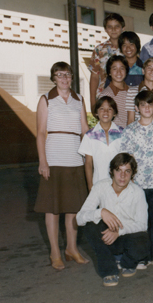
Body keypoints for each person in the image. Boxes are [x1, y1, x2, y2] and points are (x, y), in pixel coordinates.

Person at [34, 61, 90, 270]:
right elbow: (40, 133)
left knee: (73, 208)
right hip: (54, 159)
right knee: (53, 209)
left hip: (75, 159)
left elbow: (84, 129)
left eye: (67, 74)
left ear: (72, 77)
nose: (64, 78)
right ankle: (55, 252)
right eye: (59, 75)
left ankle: (72, 249)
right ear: (53, 78)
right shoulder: (46, 100)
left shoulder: (79, 100)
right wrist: (43, 161)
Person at [76, 153, 150, 287]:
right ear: (111, 171)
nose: (122, 176)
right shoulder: (100, 186)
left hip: (126, 237)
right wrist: (101, 212)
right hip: (106, 237)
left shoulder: (138, 192)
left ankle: (127, 263)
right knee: (89, 225)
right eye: (118, 170)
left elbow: (142, 225)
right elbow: (79, 218)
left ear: (132, 173)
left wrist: (119, 232)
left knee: (144, 241)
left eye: (127, 171)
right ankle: (109, 270)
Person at [120, 90, 153, 270]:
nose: (147, 108)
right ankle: (142, 256)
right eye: (143, 105)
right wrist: (129, 181)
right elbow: (126, 158)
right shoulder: (130, 130)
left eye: (150, 104)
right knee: (140, 220)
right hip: (137, 184)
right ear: (136, 108)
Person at [78, 96, 125, 191]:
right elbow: (88, 163)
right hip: (98, 184)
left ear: (115, 113)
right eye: (102, 109)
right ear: (96, 112)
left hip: (120, 183)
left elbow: (127, 160)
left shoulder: (122, 133)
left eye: (110, 109)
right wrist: (90, 186)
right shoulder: (90, 135)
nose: (106, 112)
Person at [89, 13, 124, 107]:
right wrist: (92, 102)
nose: (113, 30)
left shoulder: (129, 49)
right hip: (104, 96)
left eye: (117, 26)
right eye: (110, 27)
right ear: (105, 29)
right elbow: (94, 77)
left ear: (122, 28)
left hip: (126, 97)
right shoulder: (99, 49)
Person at [98, 55, 129, 128]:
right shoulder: (106, 95)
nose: (119, 72)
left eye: (122, 68)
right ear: (109, 72)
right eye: (114, 69)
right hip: (115, 135)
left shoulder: (133, 92)